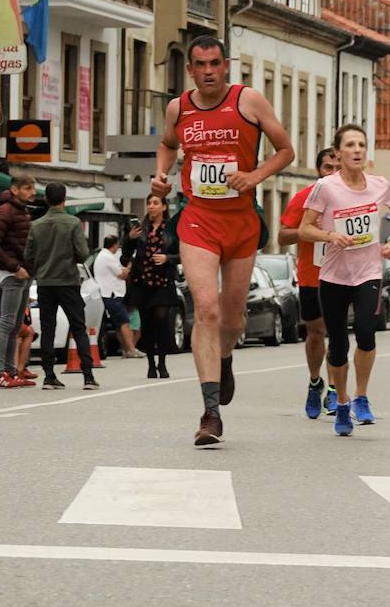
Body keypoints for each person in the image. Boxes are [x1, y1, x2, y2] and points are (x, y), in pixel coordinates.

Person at [152, 34, 294, 447]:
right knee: (206, 310)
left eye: (215, 63)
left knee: (232, 321)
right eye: (201, 64)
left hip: (241, 223)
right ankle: (210, 412)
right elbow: (166, 144)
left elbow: (285, 151)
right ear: (191, 69)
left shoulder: (248, 101)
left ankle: (225, 358)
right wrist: (162, 174)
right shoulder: (179, 108)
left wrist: (253, 177)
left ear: (226, 65)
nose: (209, 71)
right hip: (198, 221)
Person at [297, 124, 390, 436]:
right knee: (339, 345)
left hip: (368, 272)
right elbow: (304, 228)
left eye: (361, 145)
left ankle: (362, 396)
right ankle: (341, 402)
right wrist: (330, 235)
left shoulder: (380, 185)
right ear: (338, 153)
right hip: (333, 276)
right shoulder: (326, 188)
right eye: (350, 145)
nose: (357, 150)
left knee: (367, 334)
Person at [279, 147, 340, 419]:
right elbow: (282, 237)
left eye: (338, 167)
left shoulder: (354, 200)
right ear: (319, 170)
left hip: (344, 274)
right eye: (328, 167)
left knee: (337, 333)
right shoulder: (305, 198)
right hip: (311, 275)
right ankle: (315, 381)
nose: (333, 172)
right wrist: (312, 234)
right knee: (316, 332)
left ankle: (336, 389)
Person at [25, 182, 96, 391]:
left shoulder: (36, 225)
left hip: (45, 282)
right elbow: (83, 254)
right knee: (78, 327)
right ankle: (88, 376)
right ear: (64, 199)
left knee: (48, 328)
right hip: (68, 281)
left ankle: (49, 375)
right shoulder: (73, 223)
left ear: (46, 199)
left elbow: (28, 255)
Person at [0, 175, 36, 388]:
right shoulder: (5, 211)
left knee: (15, 326)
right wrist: (14, 268)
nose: (32, 192)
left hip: (23, 273)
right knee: (6, 322)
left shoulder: (21, 210)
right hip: (13, 274)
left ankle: (11, 371)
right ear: (15, 190)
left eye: (33, 188)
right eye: (27, 188)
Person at [122, 194, 179, 378]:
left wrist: (167, 258)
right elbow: (125, 255)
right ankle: (151, 364)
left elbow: (183, 253)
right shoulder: (141, 228)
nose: (151, 206)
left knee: (161, 320)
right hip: (143, 282)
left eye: (155, 203)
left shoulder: (172, 229)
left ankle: (162, 363)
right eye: (149, 203)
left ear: (164, 207)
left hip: (163, 282)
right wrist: (130, 239)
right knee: (146, 324)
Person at [94, 235, 139, 358]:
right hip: (112, 294)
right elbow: (121, 274)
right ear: (114, 245)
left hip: (110, 293)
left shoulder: (103, 256)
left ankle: (126, 349)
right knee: (124, 322)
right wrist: (129, 267)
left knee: (120, 324)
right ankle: (131, 349)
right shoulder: (108, 257)